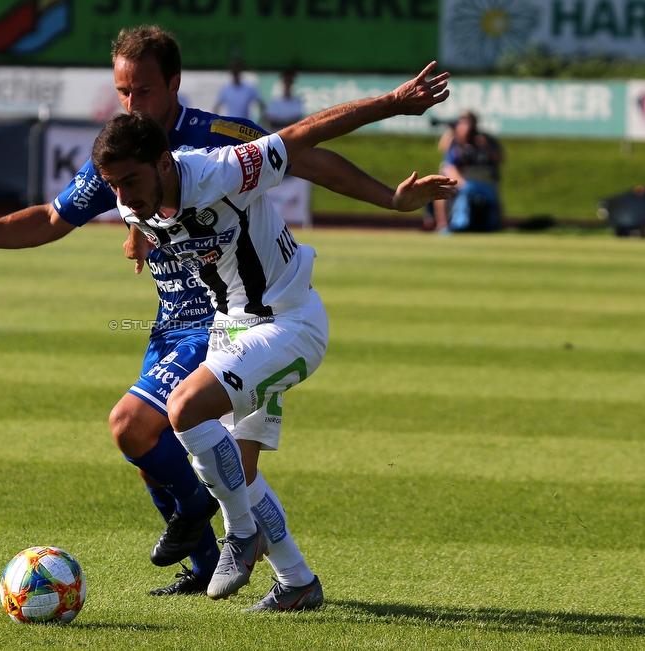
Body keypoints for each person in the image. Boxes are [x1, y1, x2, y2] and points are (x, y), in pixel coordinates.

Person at [0, 26, 455, 605]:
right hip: (225, 321)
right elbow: (52, 218)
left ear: (173, 85)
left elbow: (303, 148)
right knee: (230, 467)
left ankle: (224, 531)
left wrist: (391, 175)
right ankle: (292, 579)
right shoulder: (119, 163)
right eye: (122, 92)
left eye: (142, 90)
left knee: (161, 424)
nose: (132, 103)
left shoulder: (216, 152)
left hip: (266, 319)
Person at [92, 104, 454, 610]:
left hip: (290, 323)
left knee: (184, 410)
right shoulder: (135, 203)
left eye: (131, 181)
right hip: (232, 327)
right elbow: (141, 218)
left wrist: (396, 108)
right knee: (240, 469)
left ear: (165, 163)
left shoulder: (225, 170)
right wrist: (137, 238)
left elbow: (306, 134)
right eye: (115, 186)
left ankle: (240, 534)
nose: (124, 197)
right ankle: (298, 583)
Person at [433, 110, 503, 232]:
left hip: (484, 181)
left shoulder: (486, 140)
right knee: (442, 190)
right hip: (462, 180)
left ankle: (496, 225)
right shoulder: (455, 142)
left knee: (494, 196)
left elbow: (500, 159)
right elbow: (450, 165)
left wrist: (487, 147)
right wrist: (463, 183)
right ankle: (443, 225)